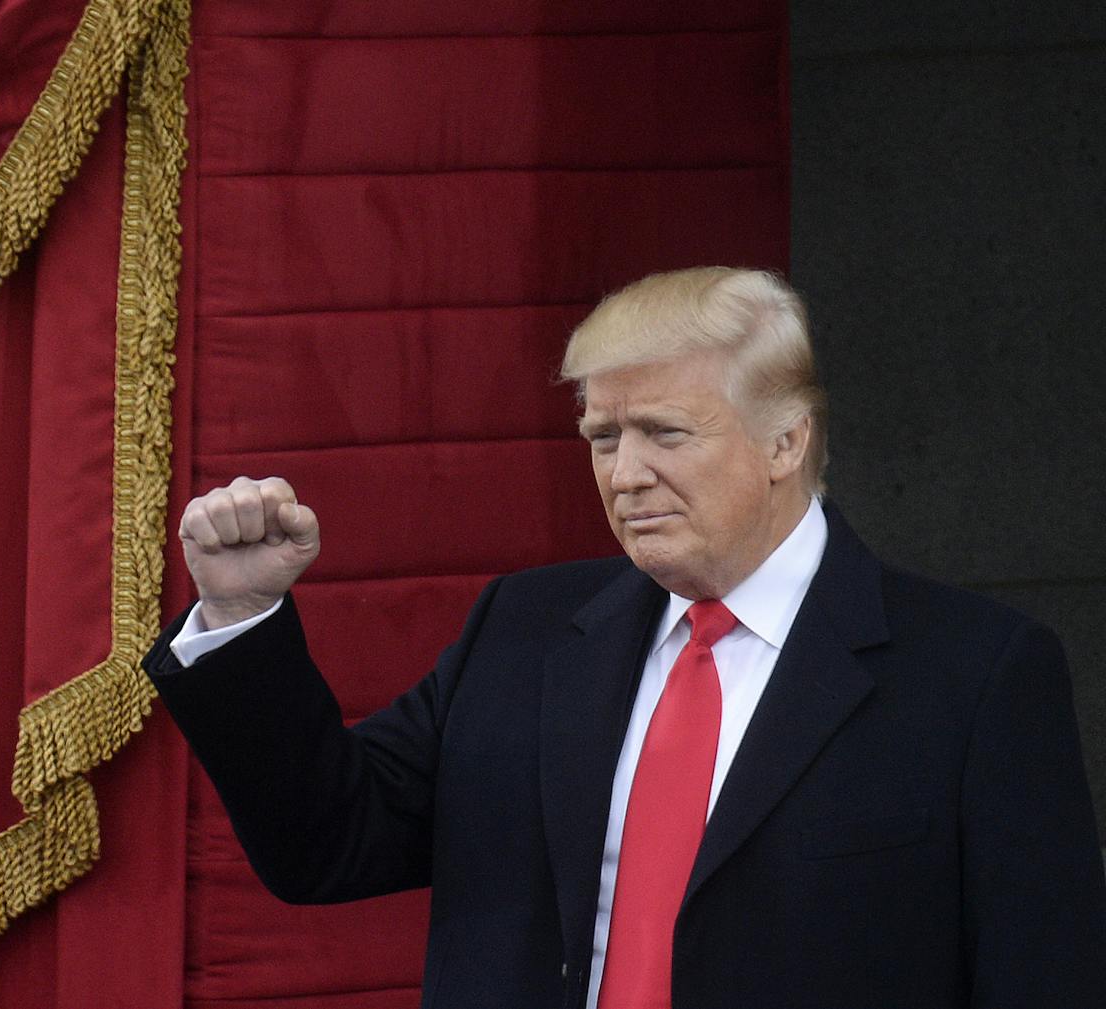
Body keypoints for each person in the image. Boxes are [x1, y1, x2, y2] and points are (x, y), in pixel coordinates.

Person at [143, 267, 1106, 1008]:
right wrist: (240, 616)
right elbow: (328, 844)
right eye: (604, 438)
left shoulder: (976, 673)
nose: (626, 473)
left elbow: (1042, 976)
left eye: (665, 433)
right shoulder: (520, 633)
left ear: (786, 441)